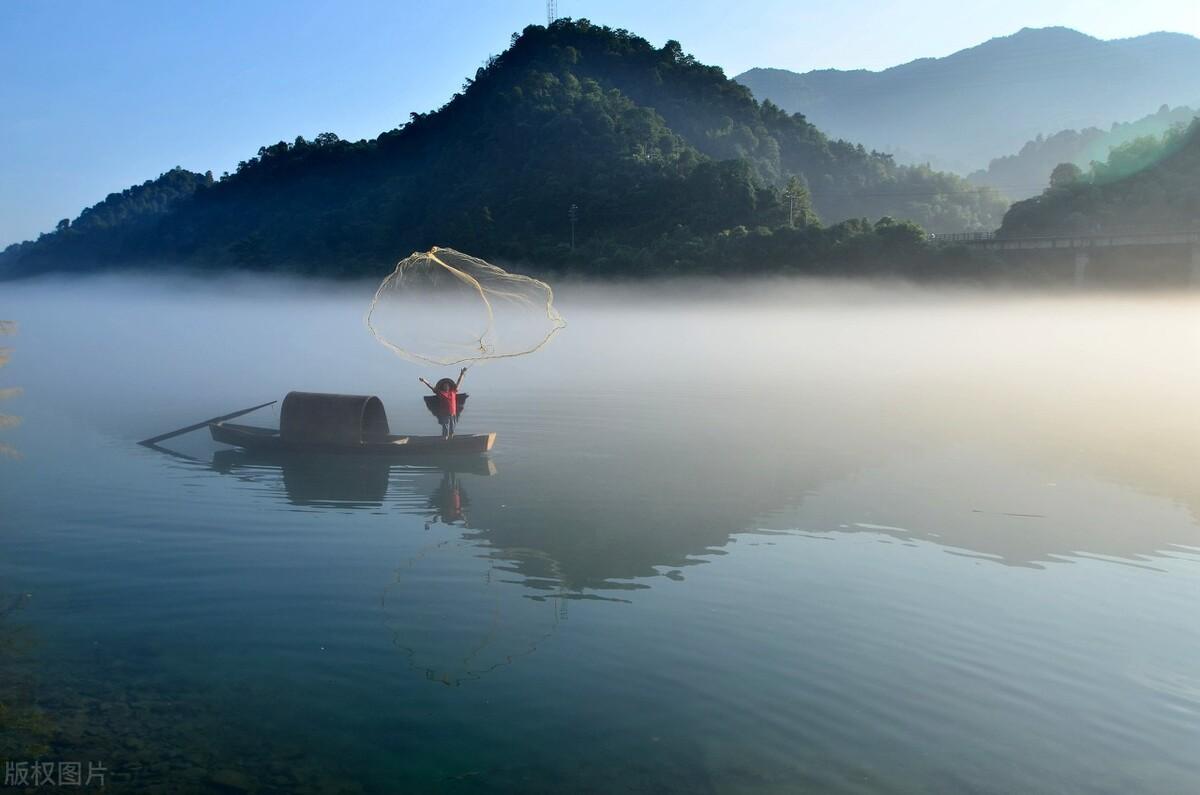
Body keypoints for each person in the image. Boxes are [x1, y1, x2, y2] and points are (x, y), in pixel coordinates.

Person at [420, 367, 467, 439]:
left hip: (453, 413)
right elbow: (431, 387)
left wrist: (461, 374)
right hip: (444, 413)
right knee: (445, 426)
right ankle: (445, 438)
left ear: (449, 387)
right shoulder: (440, 393)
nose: (446, 386)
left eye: (447, 385)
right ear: (443, 387)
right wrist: (424, 381)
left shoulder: (453, 392)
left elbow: (458, 382)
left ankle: (451, 438)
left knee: (452, 427)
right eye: (445, 386)